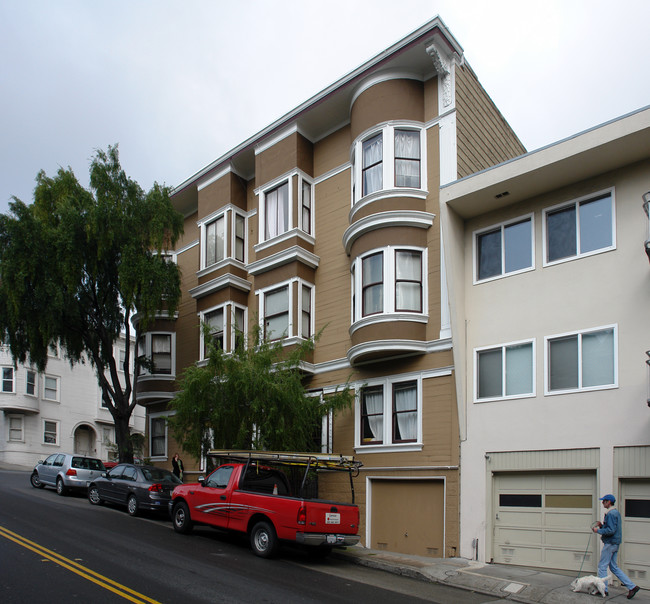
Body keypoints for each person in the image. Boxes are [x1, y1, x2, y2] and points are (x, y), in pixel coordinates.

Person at [592, 494, 640, 599]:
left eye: (604, 501)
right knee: (613, 567)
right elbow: (612, 527)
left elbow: (611, 530)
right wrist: (601, 525)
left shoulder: (611, 513)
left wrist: (598, 530)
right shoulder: (615, 512)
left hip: (610, 543)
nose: (602, 502)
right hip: (615, 543)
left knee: (602, 566)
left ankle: (603, 590)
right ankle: (632, 587)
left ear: (608, 502)